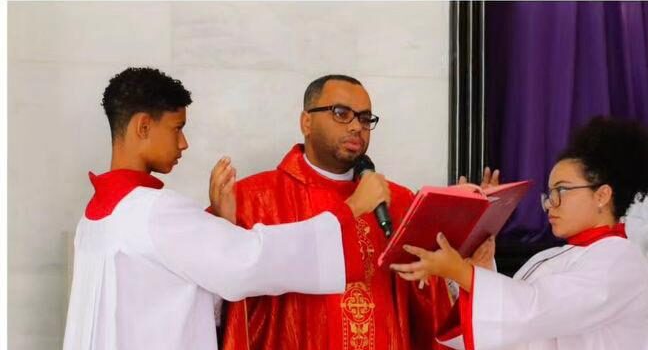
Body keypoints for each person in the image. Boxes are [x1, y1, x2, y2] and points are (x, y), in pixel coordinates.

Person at [62, 67, 389, 350]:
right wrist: (350, 210)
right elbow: (251, 261)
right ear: (143, 126)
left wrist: (221, 222)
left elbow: (193, 292)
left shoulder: (96, 218)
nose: (183, 143)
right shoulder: (156, 212)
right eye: (177, 128)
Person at [216, 74, 498, 350]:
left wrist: (465, 259)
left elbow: (429, 307)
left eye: (365, 118)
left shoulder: (399, 202)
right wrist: (222, 226)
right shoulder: (254, 199)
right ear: (306, 122)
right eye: (341, 113)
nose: (356, 126)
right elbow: (220, 297)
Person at [391, 116, 648, 350]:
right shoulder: (554, 256)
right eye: (549, 195)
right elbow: (515, 330)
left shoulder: (619, 259)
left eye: (561, 191)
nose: (550, 204)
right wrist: (478, 258)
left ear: (602, 195)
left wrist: (460, 271)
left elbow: (537, 310)